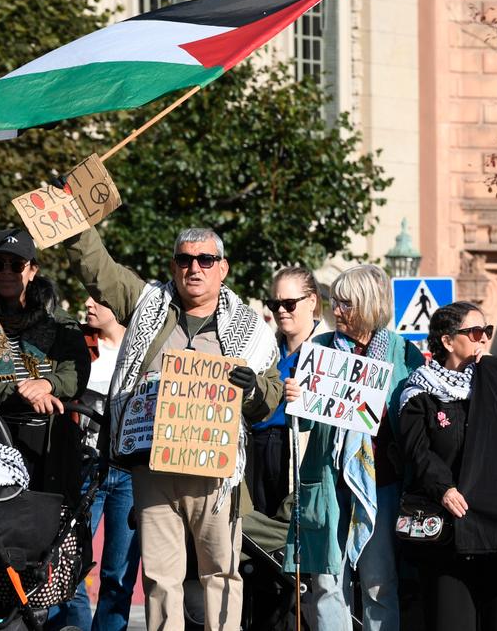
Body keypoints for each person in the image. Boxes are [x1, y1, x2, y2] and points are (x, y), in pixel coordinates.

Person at [65, 224, 282, 631]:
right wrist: (74, 221)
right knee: (160, 578)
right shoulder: (148, 303)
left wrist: (252, 390)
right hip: (154, 468)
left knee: (220, 572)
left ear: (223, 268)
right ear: (173, 265)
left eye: (206, 260)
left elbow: (268, 395)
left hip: (215, 473)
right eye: (184, 259)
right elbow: (98, 268)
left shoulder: (251, 329)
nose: (194, 268)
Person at [282, 265, 425, 631]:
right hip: (328, 481)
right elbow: (309, 421)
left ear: (369, 305)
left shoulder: (402, 353)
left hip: (382, 482)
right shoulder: (319, 348)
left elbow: (413, 419)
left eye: (346, 303)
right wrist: (296, 399)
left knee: (380, 581)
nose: (337, 311)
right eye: (335, 303)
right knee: (327, 580)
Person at [400, 302, 497, 631]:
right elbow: (417, 451)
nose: (483, 340)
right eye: (476, 333)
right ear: (448, 341)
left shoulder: (492, 383)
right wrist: (444, 489)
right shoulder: (419, 390)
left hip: (495, 531)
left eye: (487, 332)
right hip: (445, 530)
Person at [48, 296, 139, 631]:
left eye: (100, 298)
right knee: (67, 565)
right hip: (83, 467)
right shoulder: (75, 343)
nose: (88, 303)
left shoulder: (143, 348)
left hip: (129, 472)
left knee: (119, 574)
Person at [0, 229, 89, 413]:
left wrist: (47, 384)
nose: (6, 272)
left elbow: (77, 372)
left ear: (33, 270)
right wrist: (20, 393)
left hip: (50, 436)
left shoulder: (58, 320)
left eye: (17, 265)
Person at [249, 267, 322, 518]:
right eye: (274, 303)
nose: (280, 310)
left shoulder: (330, 350)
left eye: (289, 303)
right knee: (259, 528)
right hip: (257, 448)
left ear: (312, 301)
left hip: (300, 450)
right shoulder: (262, 349)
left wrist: (308, 399)